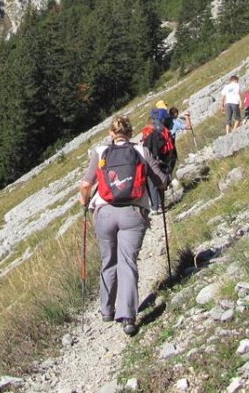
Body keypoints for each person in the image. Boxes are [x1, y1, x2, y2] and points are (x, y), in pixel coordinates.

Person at [79, 115, 168, 336]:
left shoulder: (100, 152)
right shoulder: (140, 151)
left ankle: (107, 310)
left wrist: (84, 201)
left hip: (104, 213)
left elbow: (85, 185)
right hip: (133, 213)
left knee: (108, 260)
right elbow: (162, 181)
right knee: (127, 262)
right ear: (130, 133)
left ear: (111, 133)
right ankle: (128, 317)